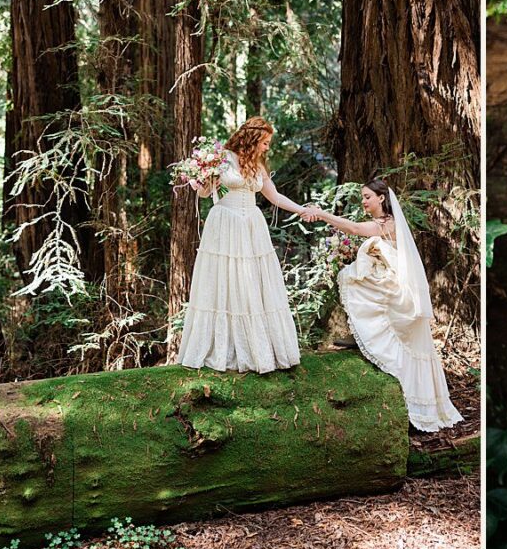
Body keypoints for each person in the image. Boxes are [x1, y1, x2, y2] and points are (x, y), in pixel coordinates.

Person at [303, 180, 463, 432]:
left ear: (381, 198)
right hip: (390, 280)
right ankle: (362, 333)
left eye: (367, 196)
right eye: (362, 197)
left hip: (399, 289)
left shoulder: (388, 222)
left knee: (354, 278)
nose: (364, 201)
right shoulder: (381, 224)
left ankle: (414, 403)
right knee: (354, 275)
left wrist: (322, 214)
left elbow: (355, 228)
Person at [177, 117, 304, 373]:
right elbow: (202, 193)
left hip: (252, 227)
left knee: (251, 285)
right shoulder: (222, 157)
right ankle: (223, 349)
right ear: (253, 138)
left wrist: (301, 210)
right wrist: (199, 176)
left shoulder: (258, 164)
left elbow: (274, 196)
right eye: (265, 142)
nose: (268, 148)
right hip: (226, 224)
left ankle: (257, 350)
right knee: (226, 283)